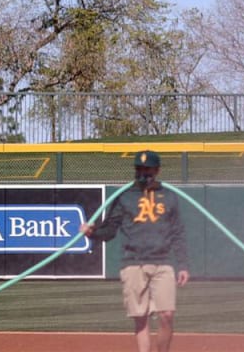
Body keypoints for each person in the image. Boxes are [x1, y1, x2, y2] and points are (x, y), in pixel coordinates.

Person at [82, 149, 191, 352]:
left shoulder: (169, 196)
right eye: (139, 169)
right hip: (133, 262)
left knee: (167, 315)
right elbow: (110, 230)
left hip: (163, 261)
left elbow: (178, 232)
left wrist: (183, 264)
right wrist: (92, 232)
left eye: (147, 169)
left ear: (157, 170)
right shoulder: (124, 196)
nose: (143, 173)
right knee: (141, 320)